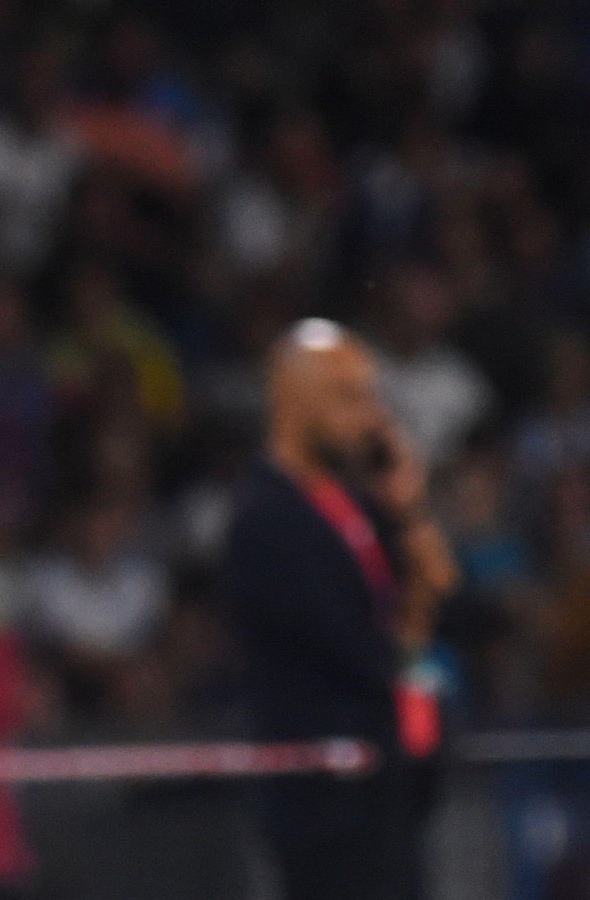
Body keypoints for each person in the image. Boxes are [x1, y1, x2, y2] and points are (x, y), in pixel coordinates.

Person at [224, 318, 458, 900]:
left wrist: (411, 512)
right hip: (329, 804)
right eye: (350, 398)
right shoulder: (267, 518)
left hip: (389, 793)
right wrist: (410, 640)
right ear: (295, 402)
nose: (374, 417)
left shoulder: (355, 506)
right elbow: (355, 651)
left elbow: (443, 594)